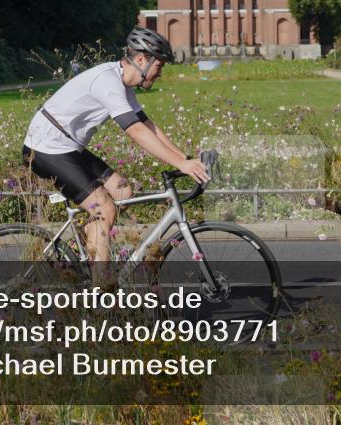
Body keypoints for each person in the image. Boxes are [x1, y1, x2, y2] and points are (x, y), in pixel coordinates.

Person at [22, 26, 209, 283]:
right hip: (46, 149)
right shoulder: (108, 83)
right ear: (142, 60)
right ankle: (101, 296)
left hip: (66, 147)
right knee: (105, 209)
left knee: (122, 191)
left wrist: (185, 159)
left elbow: (149, 126)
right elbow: (135, 132)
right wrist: (180, 163)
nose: (160, 72)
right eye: (159, 66)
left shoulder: (123, 84)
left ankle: (82, 257)